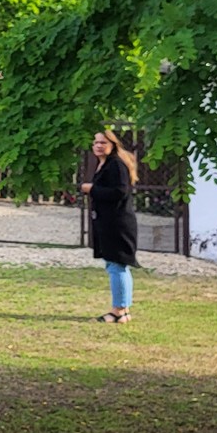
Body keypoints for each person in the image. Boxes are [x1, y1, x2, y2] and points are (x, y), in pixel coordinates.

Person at [80, 129, 139, 322]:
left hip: (118, 223)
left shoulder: (116, 164)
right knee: (115, 265)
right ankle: (123, 310)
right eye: (96, 142)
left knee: (117, 265)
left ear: (113, 145)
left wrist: (92, 189)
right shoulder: (105, 164)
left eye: (103, 143)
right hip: (109, 221)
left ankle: (119, 311)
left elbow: (120, 191)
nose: (98, 146)